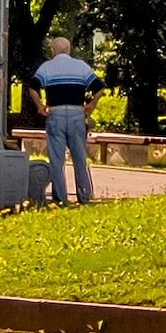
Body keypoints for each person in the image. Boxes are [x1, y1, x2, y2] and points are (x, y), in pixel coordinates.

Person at [33, 35, 100, 206]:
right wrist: (91, 104)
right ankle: (84, 196)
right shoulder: (81, 67)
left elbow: (33, 87)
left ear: (53, 51)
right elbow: (99, 88)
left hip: (55, 114)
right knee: (79, 157)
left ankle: (60, 197)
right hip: (77, 113)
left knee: (56, 159)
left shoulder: (47, 67)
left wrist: (40, 105)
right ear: (69, 50)